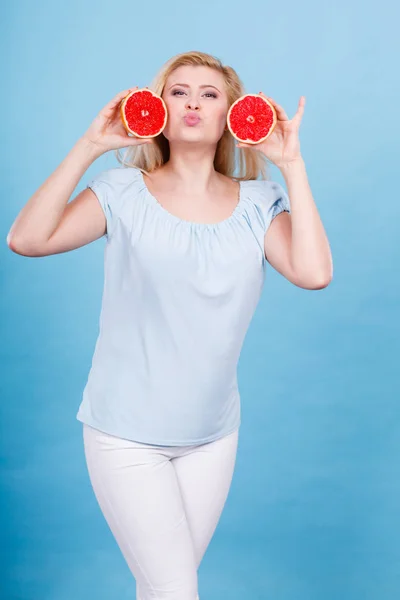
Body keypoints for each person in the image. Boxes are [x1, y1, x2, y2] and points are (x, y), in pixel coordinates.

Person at [7, 50, 332, 600]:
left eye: (209, 94)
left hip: (212, 436)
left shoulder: (260, 202)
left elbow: (314, 272)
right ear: (157, 106)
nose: (192, 103)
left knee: (161, 589)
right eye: (179, 91)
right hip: (125, 433)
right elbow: (27, 239)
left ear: (232, 114)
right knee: (176, 590)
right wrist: (90, 146)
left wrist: (292, 167)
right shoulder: (122, 192)